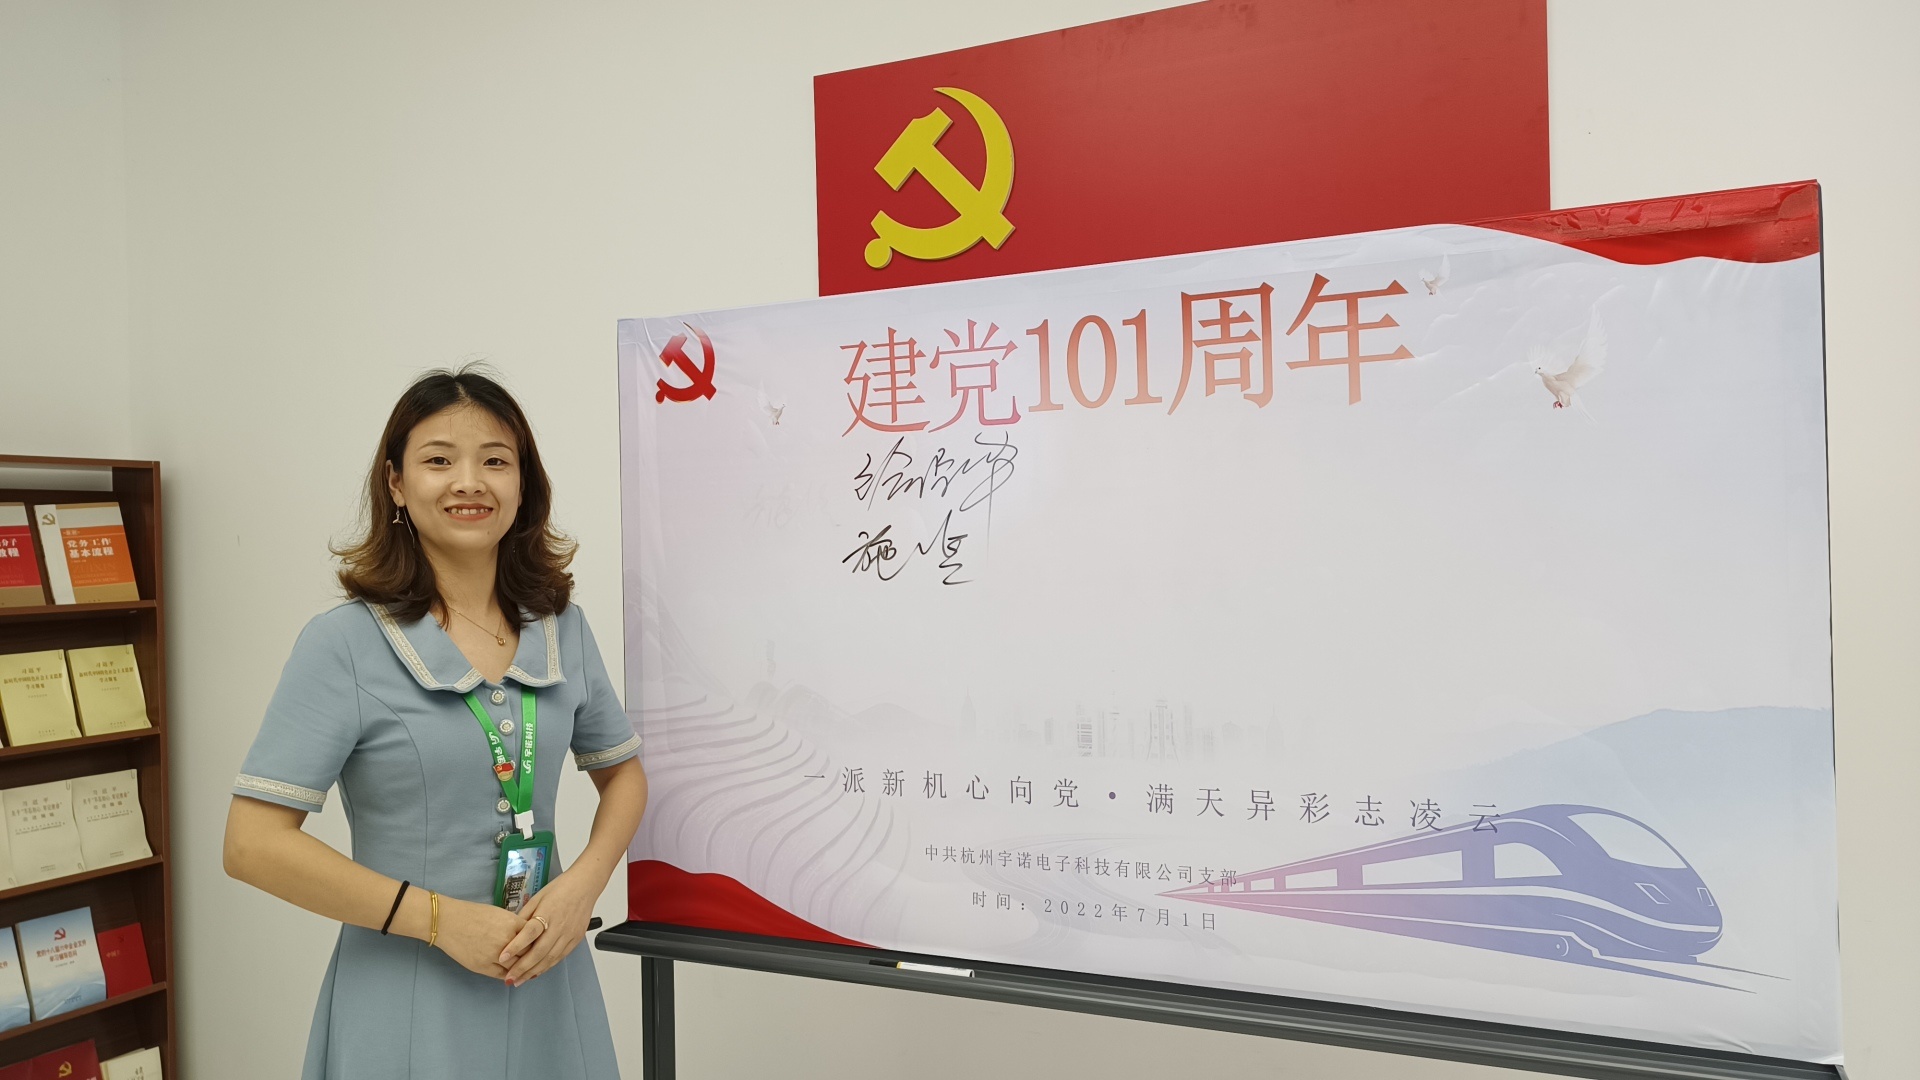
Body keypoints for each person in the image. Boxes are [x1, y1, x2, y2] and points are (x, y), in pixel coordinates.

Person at [223, 365, 646, 1079]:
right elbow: (252, 844)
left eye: (495, 461)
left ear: (524, 484)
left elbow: (624, 775)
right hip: (407, 992)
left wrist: (583, 888)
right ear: (395, 483)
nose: (469, 482)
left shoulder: (561, 628)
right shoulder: (344, 644)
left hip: (548, 976)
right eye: (439, 461)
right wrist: (440, 921)